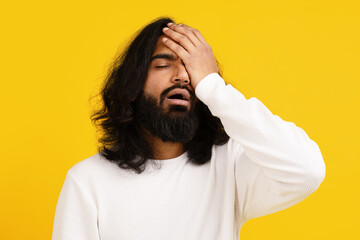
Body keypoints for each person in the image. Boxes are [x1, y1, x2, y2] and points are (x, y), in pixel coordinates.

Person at [52, 17, 326, 240]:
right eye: (163, 64)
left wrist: (213, 87)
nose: (183, 76)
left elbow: (307, 170)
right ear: (133, 86)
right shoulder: (87, 181)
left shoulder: (229, 166)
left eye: (192, 69)